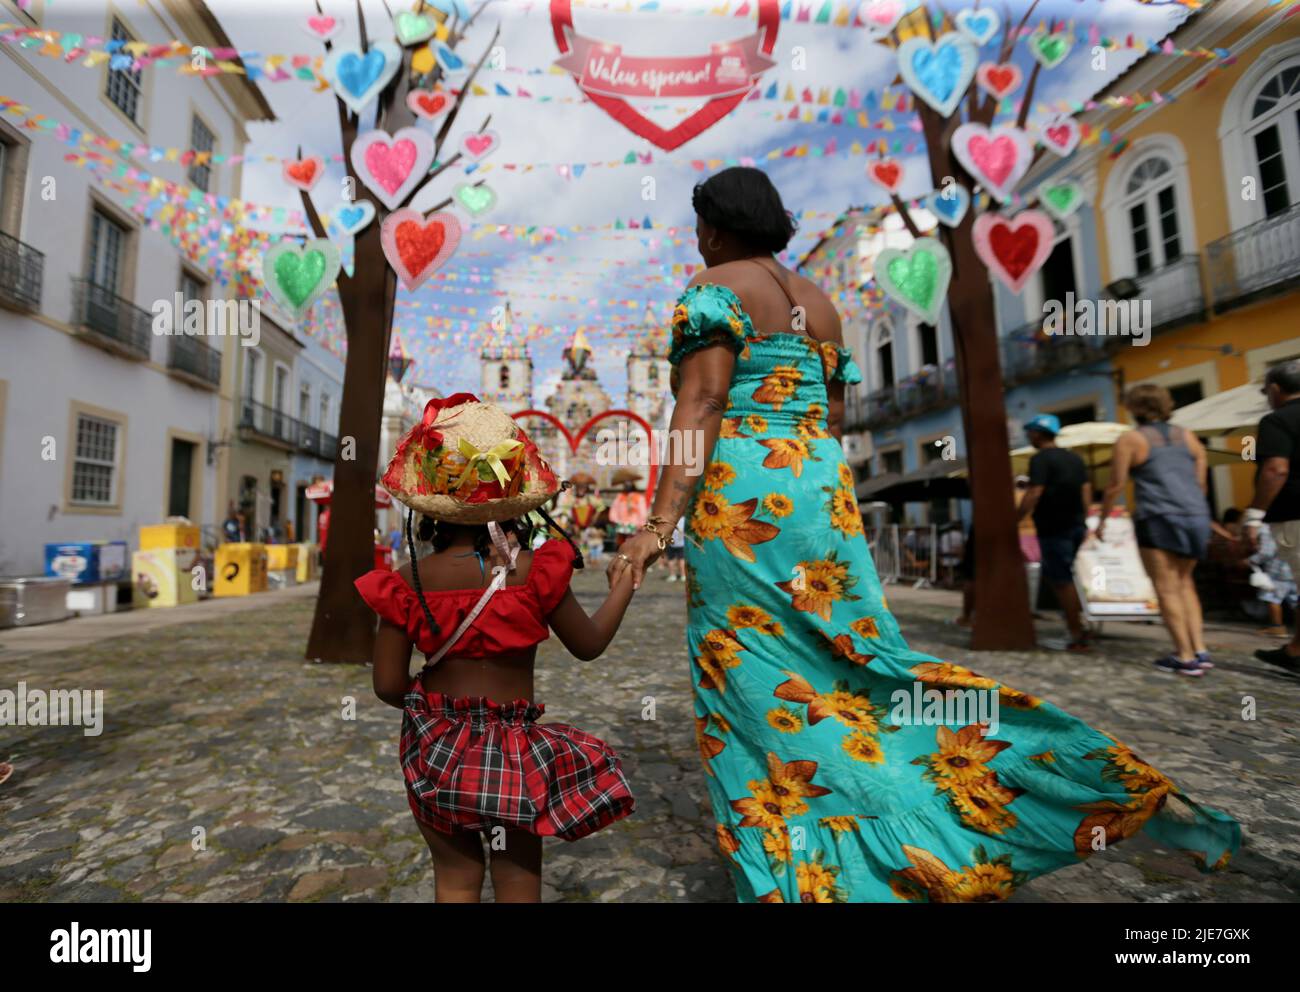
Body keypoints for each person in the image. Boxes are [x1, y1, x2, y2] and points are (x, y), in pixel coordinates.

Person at [606, 165, 1238, 902]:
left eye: (698, 225)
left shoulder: (712, 291)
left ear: (713, 227)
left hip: (745, 500)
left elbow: (704, 401)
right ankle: (1084, 780)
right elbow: (834, 422)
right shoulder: (820, 304)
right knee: (861, 663)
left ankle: (803, 867)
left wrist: (659, 519)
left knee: (749, 672)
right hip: (818, 494)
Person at [354, 394, 636, 903]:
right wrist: (624, 584)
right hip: (511, 752)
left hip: (434, 748)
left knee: (456, 878)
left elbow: (388, 685)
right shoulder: (532, 571)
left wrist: (439, 710)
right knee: (517, 879)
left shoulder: (406, 581)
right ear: (515, 502)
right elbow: (589, 645)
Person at [1098, 384, 1213, 677]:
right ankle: (1199, 649)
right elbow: (1200, 483)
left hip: (1158, 515)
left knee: (1165, 586)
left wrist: (1101, 519)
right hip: (1195, 514)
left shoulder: (1130, 439)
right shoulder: (1188, 437)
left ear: (1134, 407)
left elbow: (1115, 485)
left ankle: (1184, 656)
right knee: (1185, 582)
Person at [1016, 414, 1091, 651]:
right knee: (1062, 576)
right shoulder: (1074, 458)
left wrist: (1016, 518)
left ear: (1037, 433)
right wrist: (1083, 518)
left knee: (1061, 580)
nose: (1028, 436)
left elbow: (1035, 491)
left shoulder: (1040, 460)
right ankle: (1078, 625)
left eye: (1029, 432)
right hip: (1076, 524)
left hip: (1054, 526)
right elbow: (1086, 491)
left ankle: (1076, 634)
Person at [1245, 359, 1300, 674]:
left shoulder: (1276, 421)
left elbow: (1276, 469)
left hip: (1294, 512)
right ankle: (1295, 650)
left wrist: (1254, 516)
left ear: (1276, 389)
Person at [1250, 525, 1297, 638]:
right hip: (1295, 568)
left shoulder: (1268, 528)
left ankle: (1277, 627)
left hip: (1278, 571)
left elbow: (1267, 552)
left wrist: (1250, 560)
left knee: (1272, 598)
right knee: (1295, 600)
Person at [608, 477, 648, 548]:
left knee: (633, 547)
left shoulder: (639, 498)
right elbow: (613, 512)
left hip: (635, 530)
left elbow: (643, 514)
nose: (627, 484)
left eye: (629, 482)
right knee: (621, 548)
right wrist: (617, 521)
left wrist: (640, 525)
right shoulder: (620, 497)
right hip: (621, 528)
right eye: (625, 483)